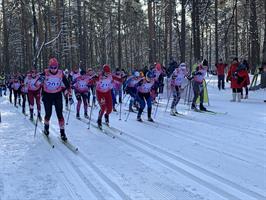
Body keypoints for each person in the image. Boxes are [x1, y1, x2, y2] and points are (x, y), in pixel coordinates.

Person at [37, 58, 72, 141]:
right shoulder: (45, 73)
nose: (53, 69)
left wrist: (69, 93)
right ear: (49, 67)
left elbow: (67, 84)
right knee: (48, 114)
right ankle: (46, 129)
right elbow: (37, 85)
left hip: (57, 95)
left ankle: (62, 133)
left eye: (55, 67)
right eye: (51, 67)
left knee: (60, 114)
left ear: (57, 66)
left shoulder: (60, 73)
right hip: (47, 95)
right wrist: (40, 81)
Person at [95, 64, 113, 129]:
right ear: (103, 71)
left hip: (107, 93)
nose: (107, 74)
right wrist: (94, 79)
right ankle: (99, 120)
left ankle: (106, 115)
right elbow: (92, 80)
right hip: (100, 93)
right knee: (103, 107)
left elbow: (116, 80)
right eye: (106, 72)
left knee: (110, 109)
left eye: (108, 72)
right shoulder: (99, 76)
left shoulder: (110, 75)